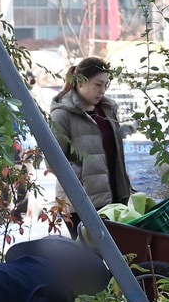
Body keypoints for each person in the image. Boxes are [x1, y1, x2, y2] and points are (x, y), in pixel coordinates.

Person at [49, 57, 131, 237]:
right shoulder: (62, 115)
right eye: (98, 84)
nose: (102, 90)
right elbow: (53, 162)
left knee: (121, 259)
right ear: (80, 81)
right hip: (81, 205)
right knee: (89, 261)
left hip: (114, 199)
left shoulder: (107, 110)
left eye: (105, 85)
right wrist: (82, 176)